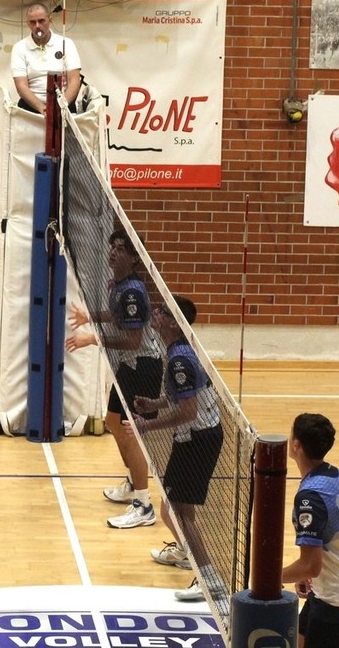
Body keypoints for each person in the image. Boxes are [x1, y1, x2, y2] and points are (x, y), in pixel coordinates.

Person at [131, 296, 224, 604]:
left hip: (197, 439)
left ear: (174, 323)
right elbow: (182, 399)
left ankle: (210, 581)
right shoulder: (177, 351)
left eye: (161, 312)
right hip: (196, 437)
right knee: (179, 508)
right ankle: (195, 561)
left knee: (179, 511)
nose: (155, 314)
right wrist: (154, 404)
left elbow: (188, 412)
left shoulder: (179, 360)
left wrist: (148, 426)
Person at [66, 230, 162, 529]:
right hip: (128, 366)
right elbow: (119, 316)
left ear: (134, 258)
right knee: (112, 421)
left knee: (132, 432)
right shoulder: (118, 285)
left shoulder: (132, 291)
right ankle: (134, 483)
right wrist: (91, 316)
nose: (113, 252)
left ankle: (144, 505)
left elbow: (133, 341)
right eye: (113, 247)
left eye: (121, 249)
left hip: (143, 366)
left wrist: (92, 338)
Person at [281, 413, 339, 648]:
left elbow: (310, 565)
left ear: (296, 445)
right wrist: (306, 574)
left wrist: (270, 579)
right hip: (337, 587)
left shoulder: (311, 497)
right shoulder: (334, 474)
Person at [10, 1, 83, 115]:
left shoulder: (66, 43)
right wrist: (43, 109)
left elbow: (74, 80)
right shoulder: (19, 48)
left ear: (50, 20)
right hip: (31, 106)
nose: (37, 26)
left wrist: (62, 106)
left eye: (41, 21)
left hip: (63, 105)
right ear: (28, 24)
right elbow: (21, 86)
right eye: (32, 22)